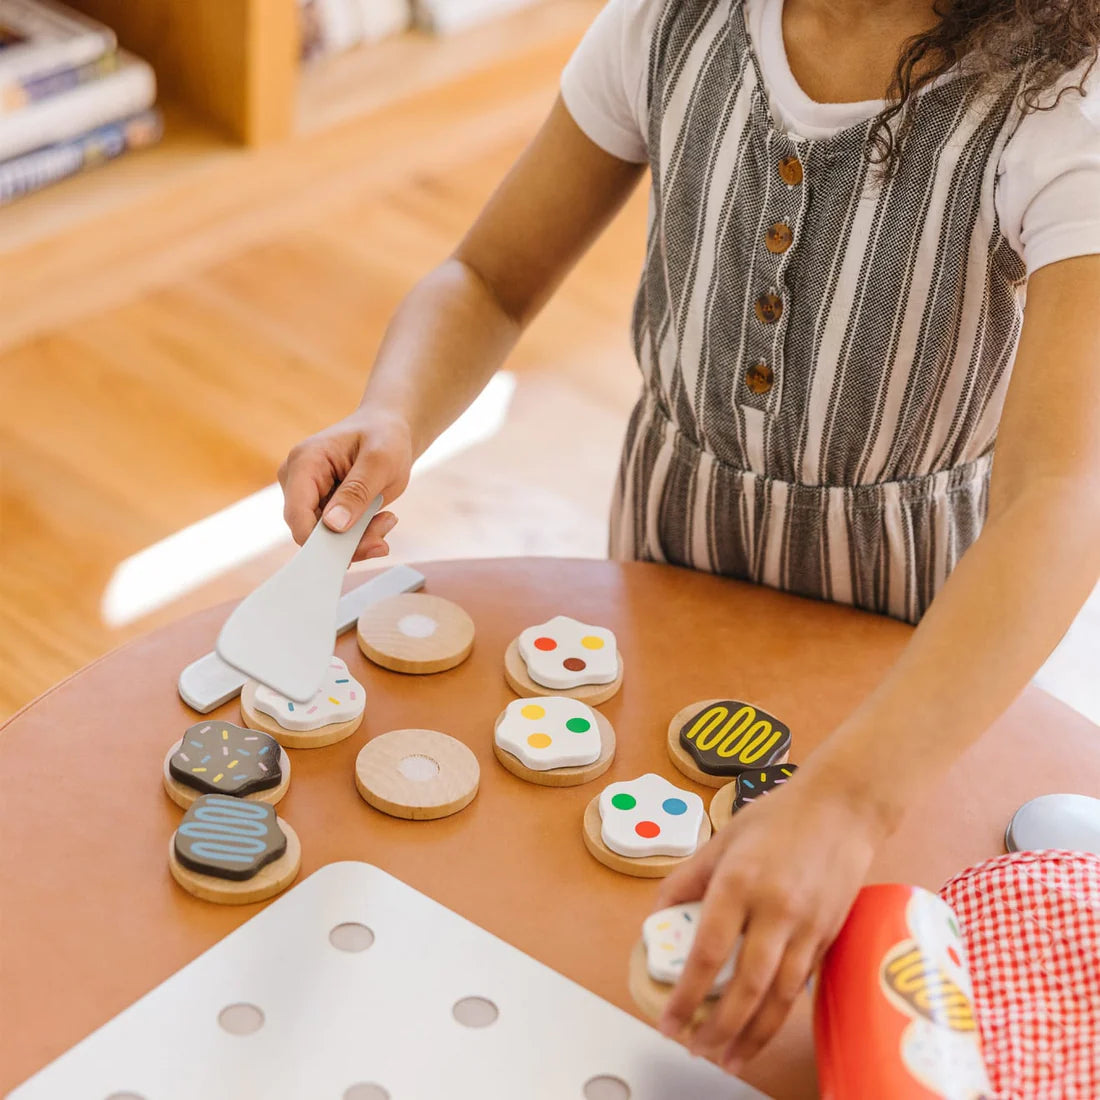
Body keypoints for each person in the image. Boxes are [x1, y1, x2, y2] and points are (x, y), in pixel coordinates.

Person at [278, 0, 1100, 1075]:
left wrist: (850, 798)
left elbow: (1061, 493)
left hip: (902, 668)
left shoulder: (1060, 108)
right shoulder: (673, 21)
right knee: (613, 918)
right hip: (663, 576)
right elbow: (486, 278)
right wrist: (393, 409)